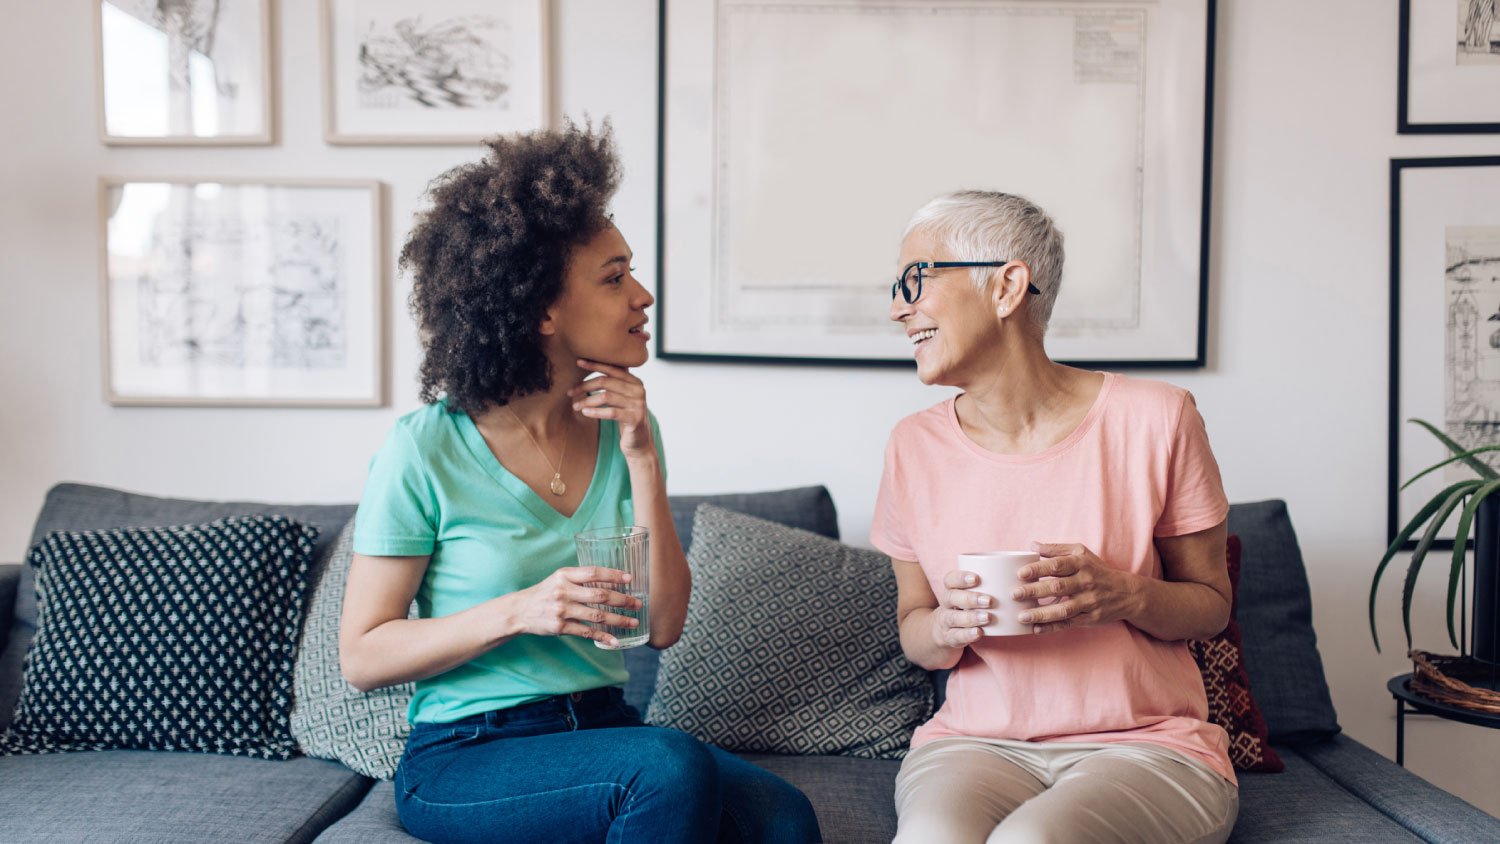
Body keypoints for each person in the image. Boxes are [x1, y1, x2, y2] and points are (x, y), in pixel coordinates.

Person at [339, 122, 820, 844]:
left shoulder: (629, 432)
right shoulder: (426, 449)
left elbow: (662, 626)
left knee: (781, 816)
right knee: (663, 766)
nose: (644, 295)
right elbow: (362, 656)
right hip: (468, 753)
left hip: (599, 726)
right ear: (540, 308)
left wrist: (642, 459)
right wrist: (520, 610)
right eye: (614, 277)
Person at [873, 190, 1240, 843]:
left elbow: (1211, 605)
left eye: (916, 280)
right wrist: (948, 627)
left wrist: (1122, 594)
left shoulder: (1159, 418)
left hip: (1149, 745)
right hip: (973, 746)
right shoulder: (912, 446)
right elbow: (913, 631)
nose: (899, 309)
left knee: (1032, 841)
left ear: (1008, 286)